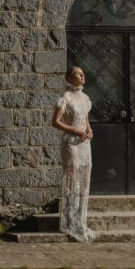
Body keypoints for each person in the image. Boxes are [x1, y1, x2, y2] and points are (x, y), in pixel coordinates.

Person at [52, 66, 95, 241]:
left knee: (84, 179)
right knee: (72, 179)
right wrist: (75, 131)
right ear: (69, 78)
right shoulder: (65, 98)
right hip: (71, 143)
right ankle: (70, 222)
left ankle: (80, 221)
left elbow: (85, 119)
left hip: (85, 143)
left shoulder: (85, 98)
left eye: (83, 73)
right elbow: (55, 122)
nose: (83, 76)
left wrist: (89, 130)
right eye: (78, 74)